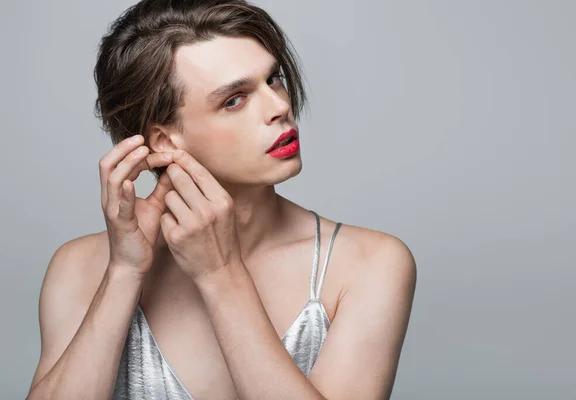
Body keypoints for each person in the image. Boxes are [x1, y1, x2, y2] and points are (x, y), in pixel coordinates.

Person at [26, 0, 417, 399]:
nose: (280, 107)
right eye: (235, 99)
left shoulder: (367, 264)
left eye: (274, 79)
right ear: (163, 141)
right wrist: (125, 272)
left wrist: (221, 275)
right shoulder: (79, 268)